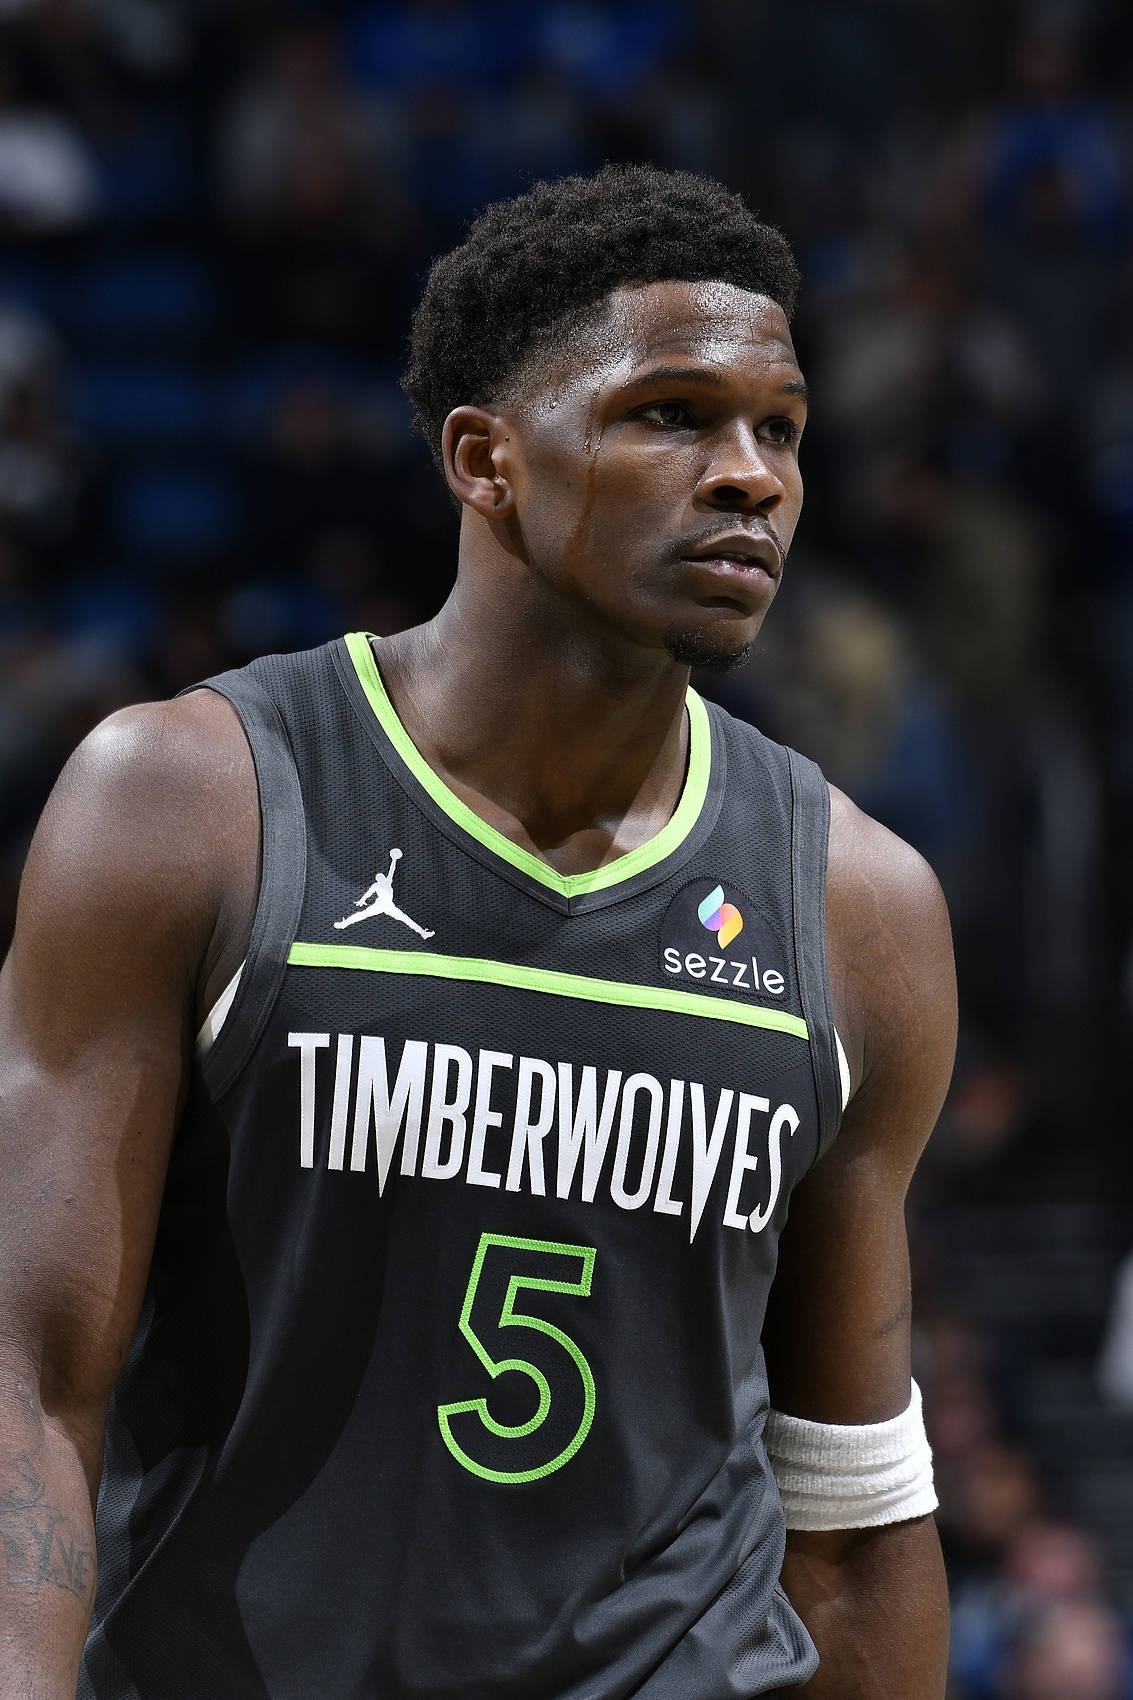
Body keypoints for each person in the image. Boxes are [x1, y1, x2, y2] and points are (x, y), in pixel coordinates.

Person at [0, 166, 955, 1698]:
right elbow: (31, 1379)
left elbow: (851, 1510)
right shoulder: (188, 804)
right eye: (671, 415)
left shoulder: (858, 905)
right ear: (483, 458)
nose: (749, 477)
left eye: (779, 430)